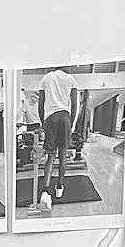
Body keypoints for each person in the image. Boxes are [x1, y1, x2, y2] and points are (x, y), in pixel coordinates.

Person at [36, 66, 78, 211]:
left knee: (50, 156)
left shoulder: (46, 78)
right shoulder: (71, 79)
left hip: (50, 118)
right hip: (65, 117)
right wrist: (70, 123)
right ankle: (59, 186)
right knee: (63, 155)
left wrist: (43, 123)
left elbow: (40, 105)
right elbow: (75, 105)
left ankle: (45, 190)